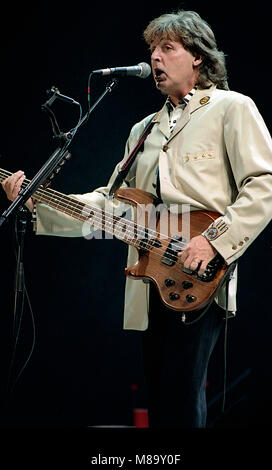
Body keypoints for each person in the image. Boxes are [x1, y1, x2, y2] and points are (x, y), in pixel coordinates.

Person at [2, 10, 272, 428]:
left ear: (198, 56)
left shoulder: (231, 108)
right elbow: (111, 205)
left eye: (168, 48)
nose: (155, 58)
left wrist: (214, 241)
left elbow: (264, 184)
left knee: (183, 401)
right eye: (152, 49)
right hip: (152, 279)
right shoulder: (142, 130)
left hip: (199, 271)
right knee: (162, 402)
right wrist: (38, 205)